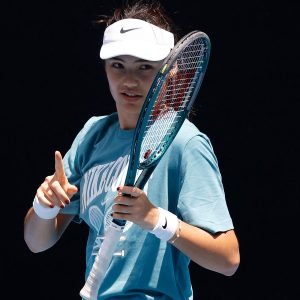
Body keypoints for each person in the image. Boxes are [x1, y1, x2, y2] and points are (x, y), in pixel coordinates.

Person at [24, 1, 240, 299]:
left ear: (170, 72)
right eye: (118, 65)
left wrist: (156, 219)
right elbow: (37, 242)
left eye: (145, 67)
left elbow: (228, 259)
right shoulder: (93, 135)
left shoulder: (185, 143)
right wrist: (43, 207)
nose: (129, 80)